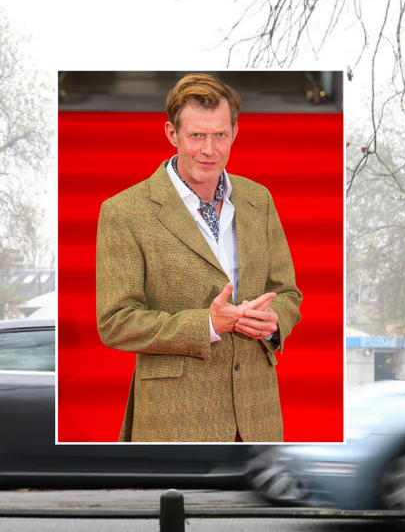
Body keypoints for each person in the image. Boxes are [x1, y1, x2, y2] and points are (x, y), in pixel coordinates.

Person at [95, 73, 302, 442]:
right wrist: (206, 324)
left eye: (220, 135)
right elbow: (115, 321)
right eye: (196, 136)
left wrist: (273, 323)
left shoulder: (260, 200)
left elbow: (288, 294)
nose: (209, 150)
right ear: (172, 135)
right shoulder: (124, 211)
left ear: (235, 132)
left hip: (259, 416)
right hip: (175, 421)